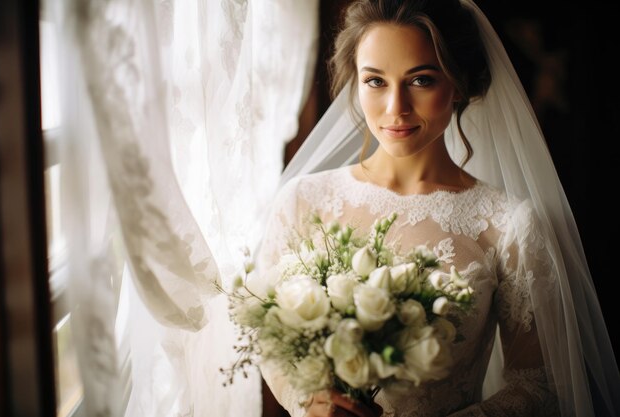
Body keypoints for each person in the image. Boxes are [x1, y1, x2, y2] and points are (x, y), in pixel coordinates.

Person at [256, 0, 620, 416]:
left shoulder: (508, 226)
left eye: (421, 80)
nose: (396, 108)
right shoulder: (304, 201)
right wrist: (312, 404)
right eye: (375, 81)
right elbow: (272, 341)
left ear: (459, 84)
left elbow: (538, 384)